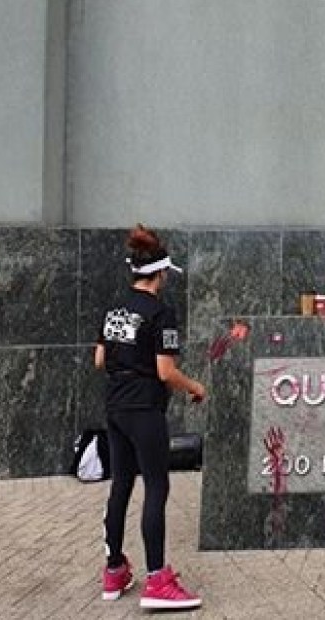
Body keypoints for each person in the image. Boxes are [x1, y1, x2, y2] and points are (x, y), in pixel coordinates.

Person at [95, 224, 206, 609]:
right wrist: (195, 387)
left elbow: (99, 359)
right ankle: (158, 580)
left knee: (121, 485)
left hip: (115, 405)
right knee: (156, 488)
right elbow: (165, 372)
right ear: (160, 274)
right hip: (145, 408)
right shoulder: (161, 312)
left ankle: (114, 570)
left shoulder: (114, 308)